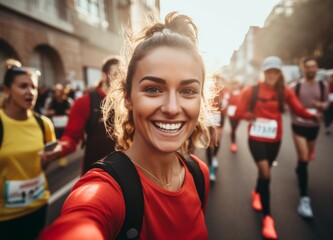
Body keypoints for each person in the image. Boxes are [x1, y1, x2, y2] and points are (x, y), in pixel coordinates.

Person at [40, 12, 211, 240]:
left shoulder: (199, 174)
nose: (171, 108)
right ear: (128, 97)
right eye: (153, 89)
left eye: (188, 91)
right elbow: (83, 218)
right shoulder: (106, 188)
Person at [236, 56, 319, 239]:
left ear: (279, 73)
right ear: (263, 72)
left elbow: (297, 109)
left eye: (275, 71)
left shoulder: (285, 92)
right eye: (268, 71)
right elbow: (239, 112)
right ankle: (267, 218)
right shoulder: (252, 91)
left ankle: (257, 192)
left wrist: (313, 117)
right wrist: (250, 116)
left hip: (275, 139)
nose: (272, 75)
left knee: (263, 173)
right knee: (266, 173)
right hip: (256, 138)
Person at [0, 62, 56, 239]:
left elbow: (43, 166)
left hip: (39, 206)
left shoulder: (43, 123)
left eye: (34, 87)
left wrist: (48, 159)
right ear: (7, 89)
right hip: (5, 217)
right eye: (23, 86)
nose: (30, 92)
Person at [40, 56, 121, 175]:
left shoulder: (127, 101)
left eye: (123, 75)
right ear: (104, 75)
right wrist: (60, 148)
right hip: (95, 170)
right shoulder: (85, 102)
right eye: (116, 74)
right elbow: (71, 137)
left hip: (123, 169)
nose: (120, 79)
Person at [290, 57, 329, 219]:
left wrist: (321, 107)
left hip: (314, 127)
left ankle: (299, 169)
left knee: (306, 159)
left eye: (314, 67)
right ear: (303, 69)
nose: (312, 70)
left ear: (317, 68)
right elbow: (289, 105)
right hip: (299, 126)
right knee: (305, 158)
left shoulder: (323, 85)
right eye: (308, 67)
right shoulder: (296, 86)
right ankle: (304, 199)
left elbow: (327, 102)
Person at [226, 80, 242, 153]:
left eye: (236, 84)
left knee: (236, 126)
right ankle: (233, 143)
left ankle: (233, 130)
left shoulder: (241, 92)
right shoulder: (229, 93)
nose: (235, 86)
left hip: (239, 113)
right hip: (231, 113)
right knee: (233, 128)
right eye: (233, 84)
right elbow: (226, 101)